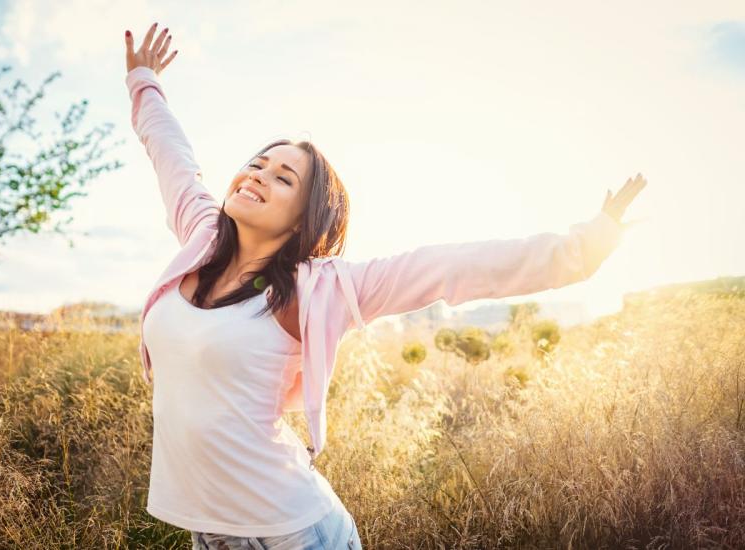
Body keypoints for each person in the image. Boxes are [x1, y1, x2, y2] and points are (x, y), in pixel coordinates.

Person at [123, 22, 647, 550]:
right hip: (207, 531)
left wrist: (584, 247)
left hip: (293, 533)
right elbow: (172, 156)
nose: (257, 175)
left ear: (305, 220)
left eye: (283, 178)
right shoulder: (200, 238)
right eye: (256, 164)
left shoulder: (317, 291)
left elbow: (452, 266)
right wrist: (144, 80)